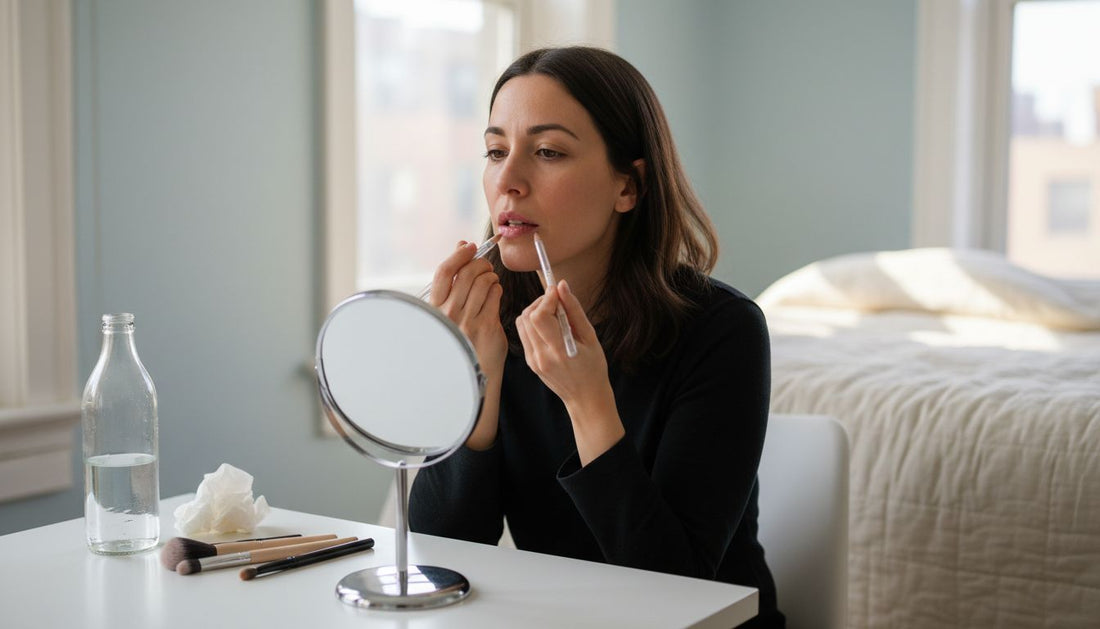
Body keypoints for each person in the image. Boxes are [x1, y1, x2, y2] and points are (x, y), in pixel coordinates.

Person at [409, 46, 783, 628]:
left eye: (548, 152)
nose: (508, 181)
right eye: (495, 151)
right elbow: (445, 556)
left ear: (628, 187)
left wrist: (588, 402)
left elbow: (673, 593)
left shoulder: (722, 331)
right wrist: (473, 386)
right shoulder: (493, 322)